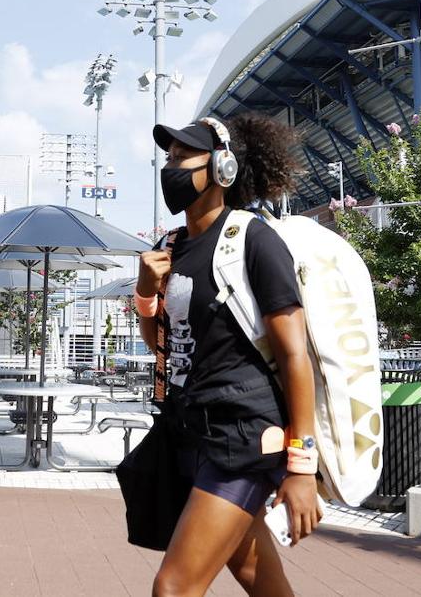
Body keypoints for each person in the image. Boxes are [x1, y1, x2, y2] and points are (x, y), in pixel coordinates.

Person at [136, 114, 322, 597]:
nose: (171, 168)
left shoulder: (253, 240)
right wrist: (145, 292)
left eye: (184, 157)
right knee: (258, 575)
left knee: (173, 588)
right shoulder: (170, 246)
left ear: (223, 167)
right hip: (189, 431)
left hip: (242, 437)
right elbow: (162, 346)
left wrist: (302, 467)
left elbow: (294, 354)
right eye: (168, 158)